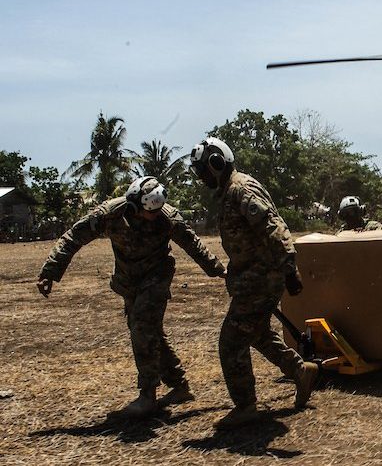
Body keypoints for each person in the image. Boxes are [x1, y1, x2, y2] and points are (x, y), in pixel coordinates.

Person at [36, 176, 226, 418]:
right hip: (129, 280)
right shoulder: (109, 214)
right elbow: (73, 238)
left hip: (157, 275)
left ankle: (148, 395)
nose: (155, 216)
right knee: (151, 332)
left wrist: (217, 269)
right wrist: (50, 272)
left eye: (158, 211)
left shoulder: (167, 217)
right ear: (135, 206)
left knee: (142, 327)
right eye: (150, 212)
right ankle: (179, 386)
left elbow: (193, 244)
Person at [189, 137, 319, 428]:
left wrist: (289, 269)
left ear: (217, 164)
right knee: (257, 334)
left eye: (203, 172)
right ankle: (301, 371)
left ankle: (246, 407)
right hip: (252, 278)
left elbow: (272, 226)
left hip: (263, 277)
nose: (202, 178)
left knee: (231, 342)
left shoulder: (240, 189)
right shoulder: (229, 191)